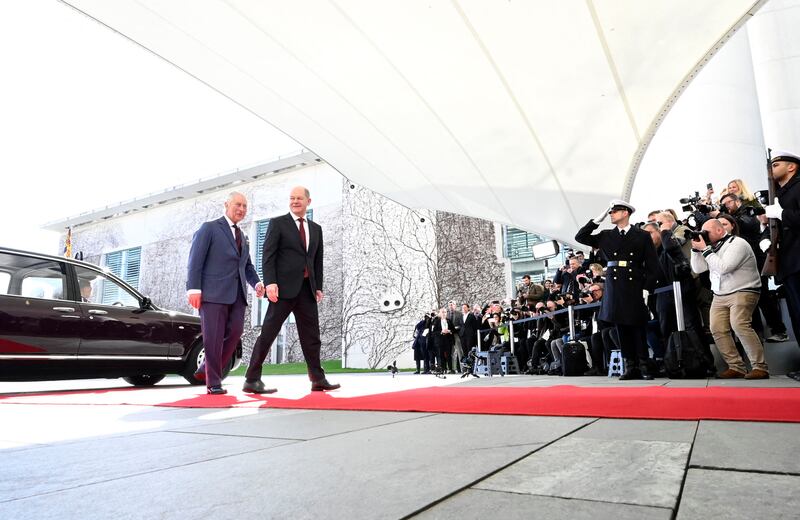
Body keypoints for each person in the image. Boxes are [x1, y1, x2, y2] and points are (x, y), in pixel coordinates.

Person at [244, 186, 340, 393]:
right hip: (282, 290)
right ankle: (251, 379)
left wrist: (319, 286)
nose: (295, 201)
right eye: (292, 198)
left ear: (308, 201)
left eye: (299, 198)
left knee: (312, 336)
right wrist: (270, 283)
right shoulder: (278, 223)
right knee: (269, 333)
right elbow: (268, 255)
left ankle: (317, 378)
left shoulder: (316, 229)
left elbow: (317, 260)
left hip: (307, 290)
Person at [187, 191, 265, 395]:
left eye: (245, 206)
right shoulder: (210, 228)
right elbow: (195, 260)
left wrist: (256, 283)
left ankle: (206, 368)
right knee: (212, 338)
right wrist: (193, 288)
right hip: (212, 295)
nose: (241, 209)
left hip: (237, 295)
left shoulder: (244, 236)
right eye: (237, 204)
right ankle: (214, 382)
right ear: (226, 205)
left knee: (236, 332)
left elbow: (246, 266)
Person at [575, 199, 661, 380]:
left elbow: (653, 266)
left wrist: (647, 288)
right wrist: (597, 219)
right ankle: (630, 365)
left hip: (634, 283)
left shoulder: (641, 235)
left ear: (625, 213)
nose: (611, 214)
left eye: (614, 211)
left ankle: (644, 365)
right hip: (615, 285)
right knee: (621, 327)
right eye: (610, 212)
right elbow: (581, 236)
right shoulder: (606, 235)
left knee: (637, 326)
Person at [690, 219, 769, 379]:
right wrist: (695, 250)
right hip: (720, 294)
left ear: (719, 231)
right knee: (717, 329)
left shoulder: (737, 243)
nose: (703, 236)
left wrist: (705, 249)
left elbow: (724, 267)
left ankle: (760, 367)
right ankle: (736, 367)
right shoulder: (713, 247)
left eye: (707, 233)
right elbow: (698, 268)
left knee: (739, 324)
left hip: (743, 290)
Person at [764, 151, 800, 381]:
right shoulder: (781, 193)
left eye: (776, 164)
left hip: (799, 261)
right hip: (788, 264)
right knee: (797, 316)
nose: (772, 167)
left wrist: (782, 213)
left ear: (791, 167)